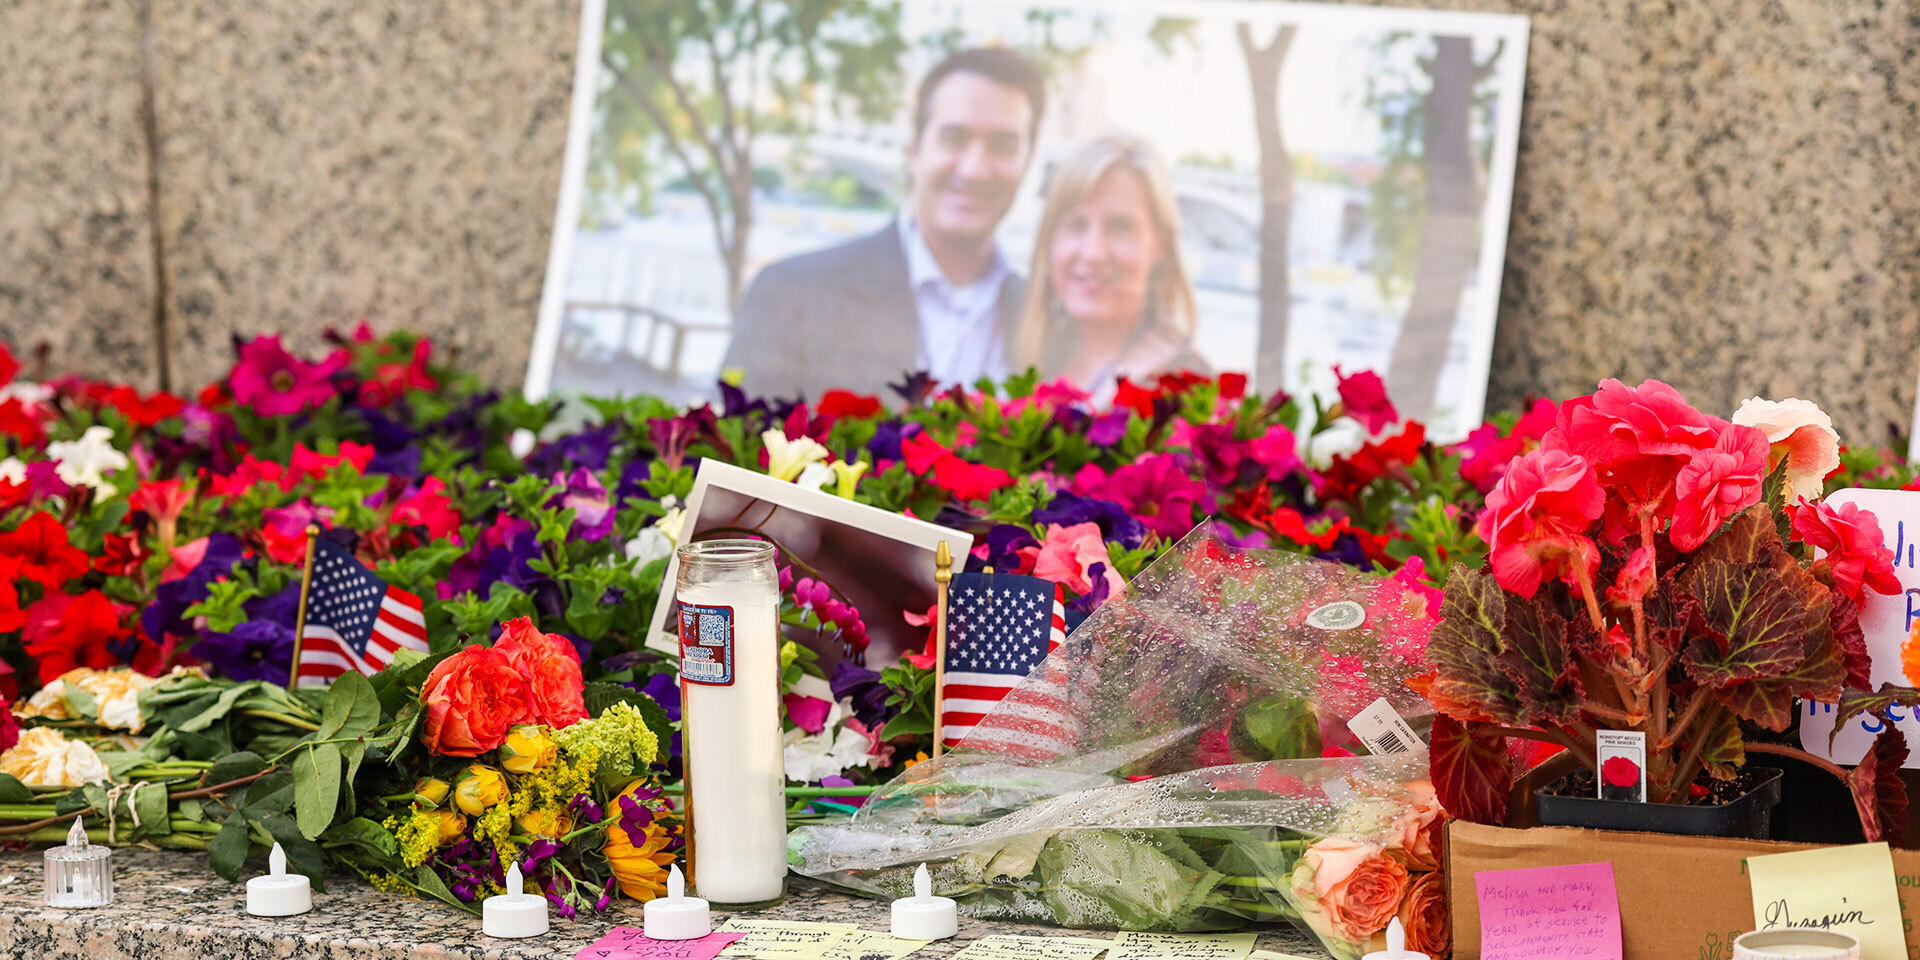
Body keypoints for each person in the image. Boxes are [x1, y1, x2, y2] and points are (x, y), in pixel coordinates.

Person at [722, 48, 1046, 399]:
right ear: (915, 151)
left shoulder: (1046, 319)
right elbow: (722, 449)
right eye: (954, 139)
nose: (974, 169)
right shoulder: (791, 294)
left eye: (1003, 146)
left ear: (1026, 164)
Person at [1011, 135, 1208, 403]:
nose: (1093, 253)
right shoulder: (1022, 355)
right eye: (1076, 224)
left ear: (1160, 244)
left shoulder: (1186, 390)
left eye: (1120, 227)